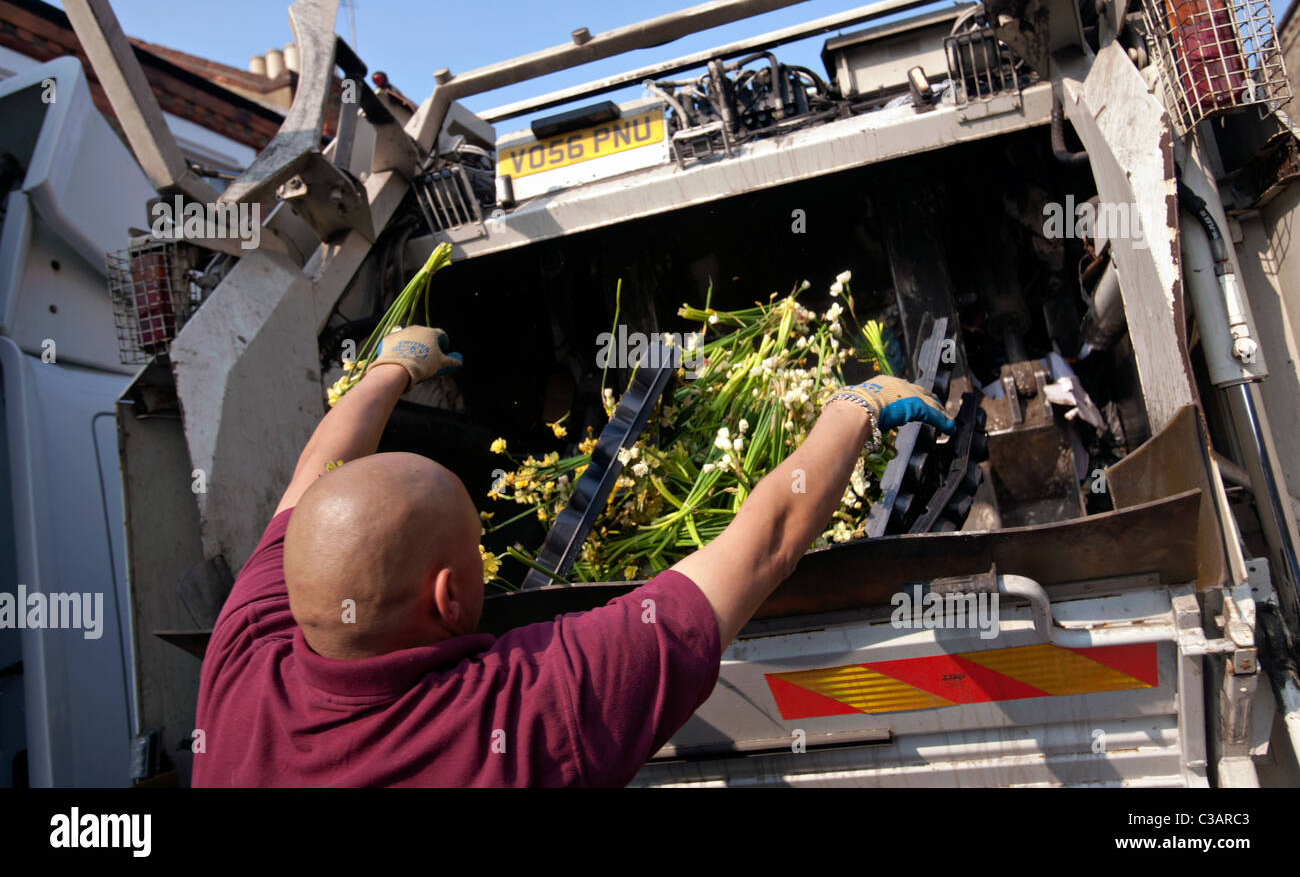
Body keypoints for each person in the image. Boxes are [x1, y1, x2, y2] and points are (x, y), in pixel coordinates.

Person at [192, 324, 952, 787]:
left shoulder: (240, 657)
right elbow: (772, 539)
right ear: (452, 595)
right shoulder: (514, 718)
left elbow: (311, 483)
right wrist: (856, 407)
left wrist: (392, 368)